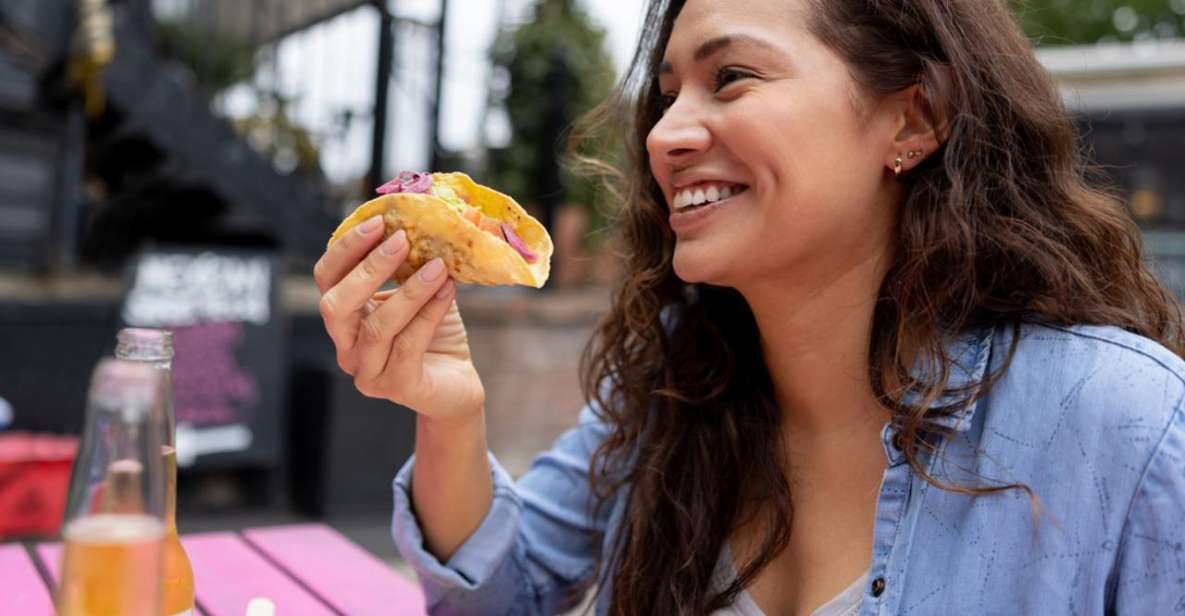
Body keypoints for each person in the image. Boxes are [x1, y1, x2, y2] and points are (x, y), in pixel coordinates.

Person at [313, 0, 1185, 613]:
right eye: (665, 95)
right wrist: (451, 416)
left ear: (912, 120)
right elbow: (503, 601)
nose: (662, 135)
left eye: (729, 77)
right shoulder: (669, 385)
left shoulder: (1126, 425)